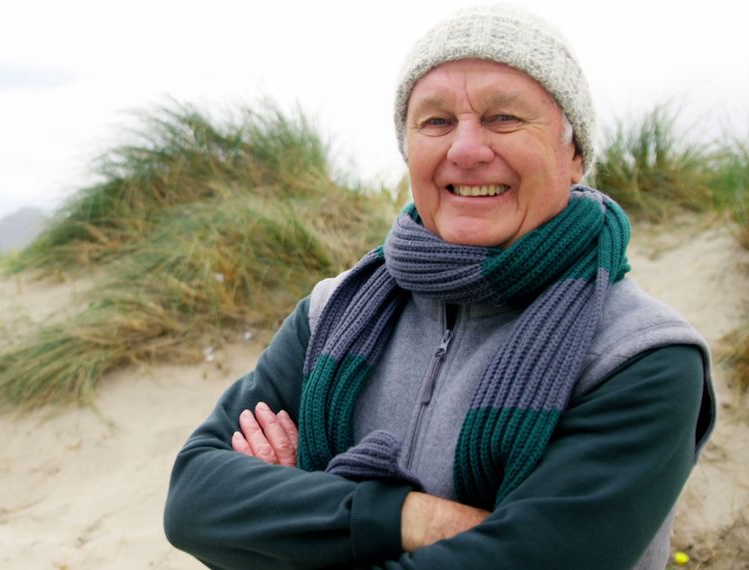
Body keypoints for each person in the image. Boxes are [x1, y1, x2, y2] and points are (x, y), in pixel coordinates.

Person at [163, 5, 716, 569]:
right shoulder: (331, 312)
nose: (467, 149)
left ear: (573, 153)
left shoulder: (641, 357)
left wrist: (292, 521)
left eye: (504, 118)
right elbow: (193, 500)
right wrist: (412, 518)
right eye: (436, 122)